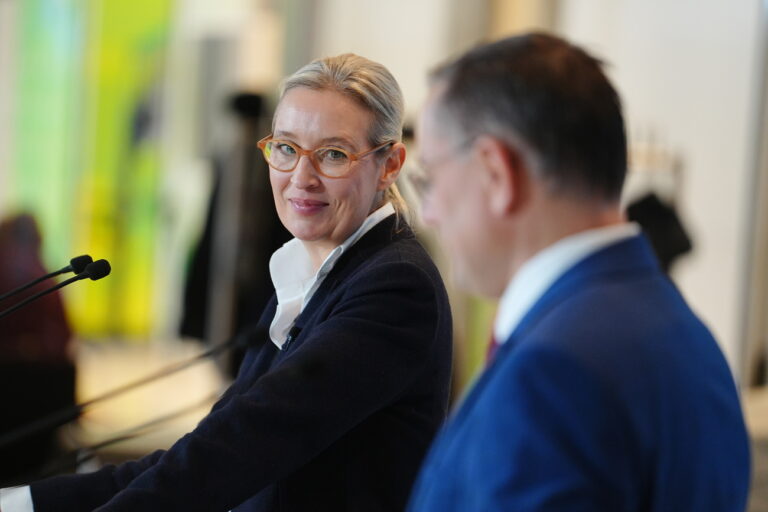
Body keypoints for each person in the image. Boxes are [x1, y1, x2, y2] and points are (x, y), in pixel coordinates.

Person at [0, 53, 452, 511]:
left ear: (391, 164)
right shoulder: (304, 276)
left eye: (333, 154)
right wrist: (22, 502)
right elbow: (201, 449)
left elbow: (241, 447)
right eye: (286, 149)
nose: (301, 178)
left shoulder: (395, 285)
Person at [406, 32, 750, 511]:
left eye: (430, 179)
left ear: (495, 173)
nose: (429, 214)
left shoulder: (550, 374)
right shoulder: (686, 332)